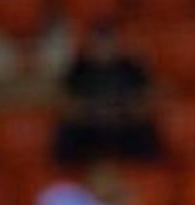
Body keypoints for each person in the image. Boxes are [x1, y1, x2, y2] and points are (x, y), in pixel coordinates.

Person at [54, 22, 158, 165]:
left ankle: (140, 170)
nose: (104, 48)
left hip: (123, 123)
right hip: (89, 124)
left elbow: (146, 97)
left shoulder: (131, 68)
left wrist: (126, 110)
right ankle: (73, 171)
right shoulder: (78, 69)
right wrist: (88, 111)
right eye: (99, 43)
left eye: (108, 43)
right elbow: (65, 101)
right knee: (68, 132)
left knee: (143, 131)